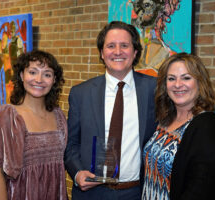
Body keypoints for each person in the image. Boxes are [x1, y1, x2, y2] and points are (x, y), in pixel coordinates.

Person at [64, 21, 157, 200]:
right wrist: (76, 173)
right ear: (101, 52)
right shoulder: (81, 93)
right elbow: (71, 144)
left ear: (135, 51)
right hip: (92, 193)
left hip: (137, 193)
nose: (117, 52)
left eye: (124, 45)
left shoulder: (154, 89)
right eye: (110, 46)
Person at [0, 50, 68, 200]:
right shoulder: (7, 116)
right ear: (21, 75)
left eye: (47, 74)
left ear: (54, 80)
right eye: (32, 72)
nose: (39, 79)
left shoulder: (58, 116)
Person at [142, 53, 215, 200]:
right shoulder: (164, 119)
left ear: (200, 82)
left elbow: (201, 188)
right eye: (171, 78)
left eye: (186, 78)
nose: (177, 84)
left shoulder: (205, 127)